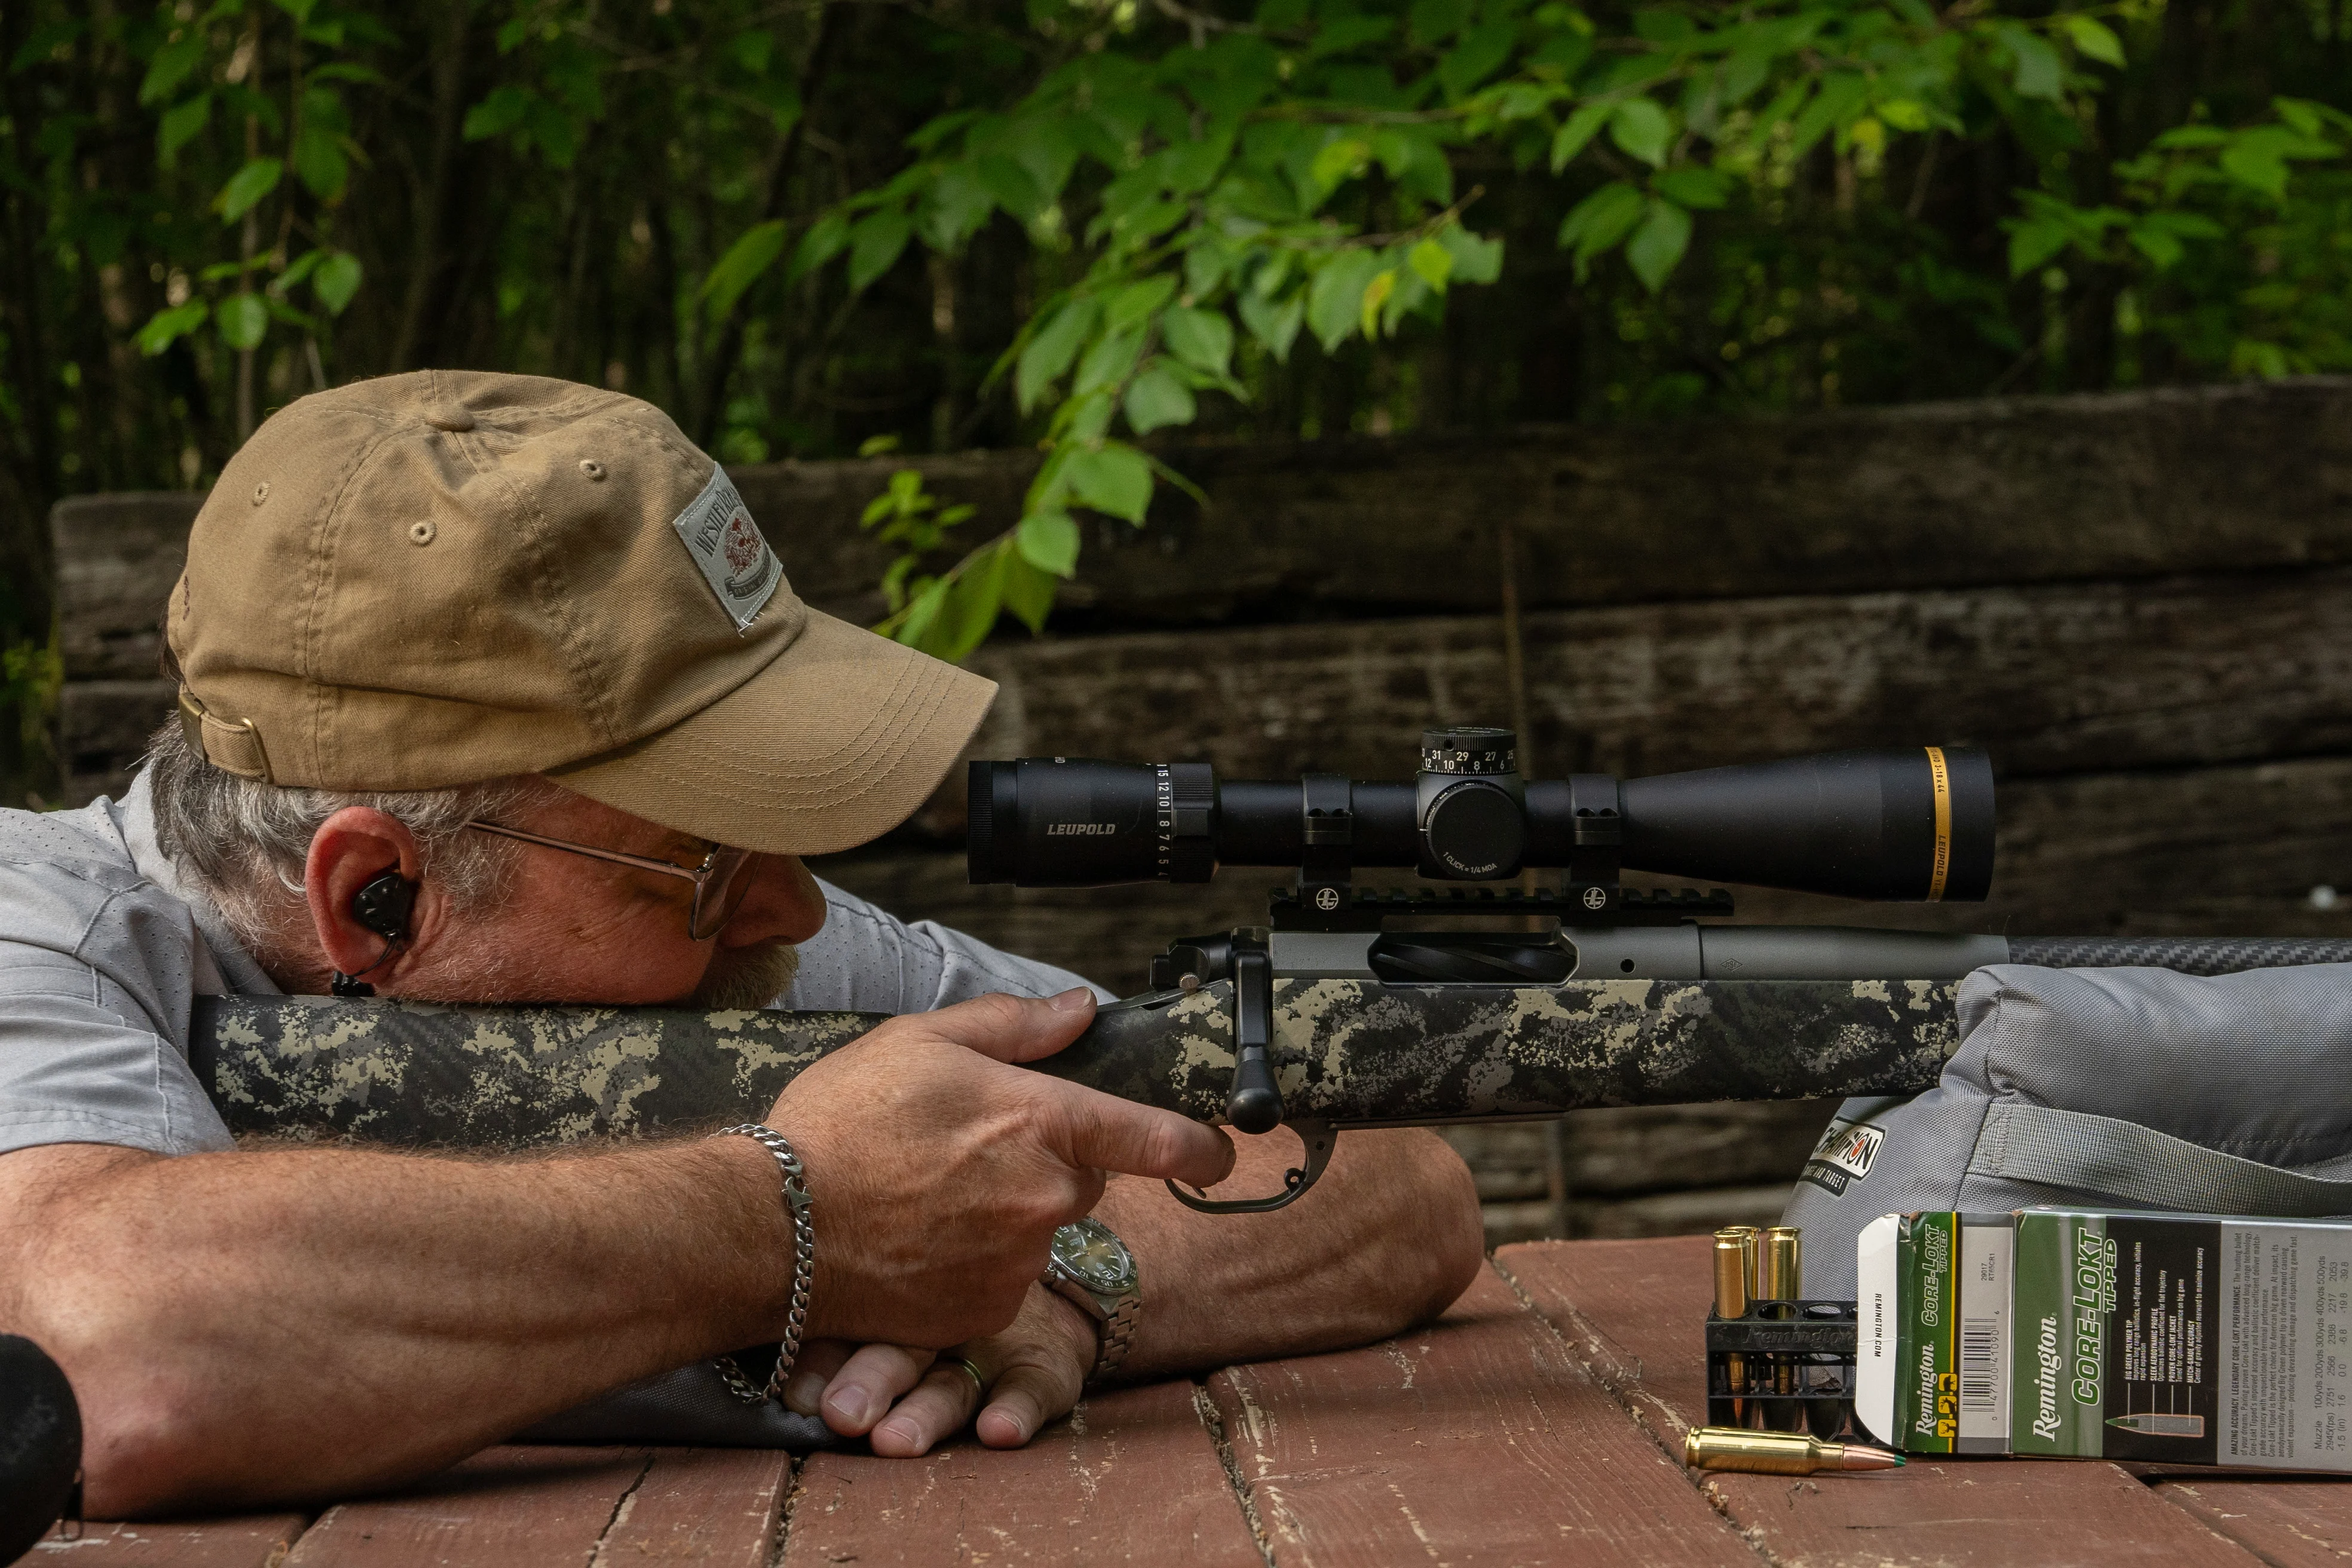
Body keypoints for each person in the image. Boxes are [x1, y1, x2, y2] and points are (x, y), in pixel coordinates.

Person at [0, 372, 1484, 1518]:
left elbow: (1388, 1178)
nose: (789, 909)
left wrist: (1066, 1273)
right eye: (704, 862)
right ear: (375, 895)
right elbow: (126, 1361)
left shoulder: (748, 948)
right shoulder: (35, 927)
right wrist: (806, 1219)